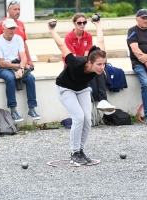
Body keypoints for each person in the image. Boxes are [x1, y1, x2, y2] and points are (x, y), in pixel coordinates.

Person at [49, 18, 106, 165]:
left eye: (103, 64)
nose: (102, 67)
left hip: (82, 88)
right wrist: (52, 30)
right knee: (79, 117)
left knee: (87, 120)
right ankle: (74, 152)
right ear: (89, 63)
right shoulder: (76, 63)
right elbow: (61, 45)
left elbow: (101, 41)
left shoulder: (98, 59)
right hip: (65, 88)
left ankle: (80, 151)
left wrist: (98, 25)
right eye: (99, 65)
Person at [63, 13, 115, 114]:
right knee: (95, 69)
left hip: (85, 63)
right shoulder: (68, 37)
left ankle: (103, 100)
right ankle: (100, 99)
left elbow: (88, 55)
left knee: (99, 69)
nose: (82, 25)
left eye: (84, 23)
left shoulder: (88, 36)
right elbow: (73, 58)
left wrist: (92, 64)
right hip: (73, 66)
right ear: (74, 23)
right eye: (79, 23)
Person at [0, 18, 40, 122]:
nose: (12, 30)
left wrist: (21, 69)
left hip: (15, 65)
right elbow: (0, 63)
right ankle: (13, 110)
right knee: (10, 78)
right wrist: (19, 67)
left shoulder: (18, 39)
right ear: (3, 28)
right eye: (9, 28)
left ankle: (32, 108)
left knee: (30, 78)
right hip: (0, 68)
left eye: (13, 28)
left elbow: (24, 57)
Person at [0, 0, 34, 69]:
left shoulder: (21, 24)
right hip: (8, 63)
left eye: (19, 9)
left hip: (21, 62)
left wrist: (29, 60)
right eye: (15, 9)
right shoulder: (0, 25)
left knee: (29, 78)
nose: (17, 12)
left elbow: (24, 44)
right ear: (8, 11)